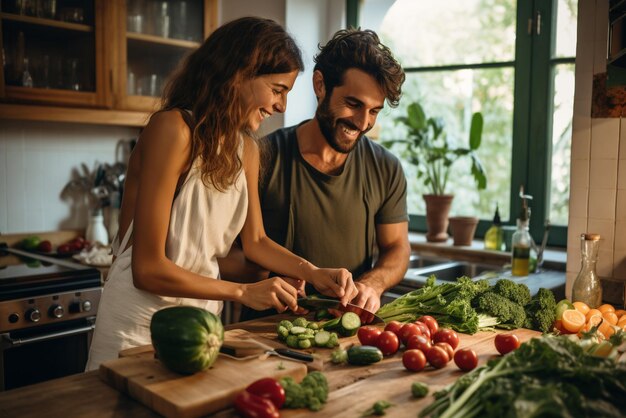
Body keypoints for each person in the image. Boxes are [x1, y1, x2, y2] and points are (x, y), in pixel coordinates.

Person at [86, 17, 357, 371]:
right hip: (137, 325)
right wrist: (244, 293)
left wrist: (315, 272)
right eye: (277, 89)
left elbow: (256, 241)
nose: (282, 106)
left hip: (202, 327)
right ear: (239, 74)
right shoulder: (173, 129)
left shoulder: (246, 149)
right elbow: (148, 269)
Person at [222, 28, 410, 320]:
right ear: (320, 84)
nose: (363, 123)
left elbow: (397, 248)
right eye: (353, 104)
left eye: (374, 111)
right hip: (265, 336)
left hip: (349, 335)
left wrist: (372, 284)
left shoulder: (386, 168)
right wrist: (263, 277)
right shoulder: (259, 157)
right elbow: (223, 255)